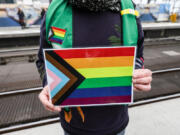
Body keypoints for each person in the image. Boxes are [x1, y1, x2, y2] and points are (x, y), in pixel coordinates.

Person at [36, 0, 152, 135]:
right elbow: (43, 60)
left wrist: (139, 75)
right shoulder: (55, 11)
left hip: (116, 125)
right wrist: (48, 83)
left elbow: (138, 56)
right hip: (73, 126)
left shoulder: (128, 9)